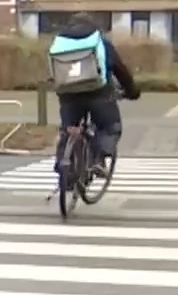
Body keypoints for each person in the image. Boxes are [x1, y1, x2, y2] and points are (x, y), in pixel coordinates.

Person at [46, 14, 140, 177]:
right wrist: (132, 91)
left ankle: (64, 169)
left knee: (68, 130)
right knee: (109, 127)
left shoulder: (59, 43)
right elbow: (120, 70)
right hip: (98, 92)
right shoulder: (100, 42)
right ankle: (98, 159)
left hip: (68, 95)